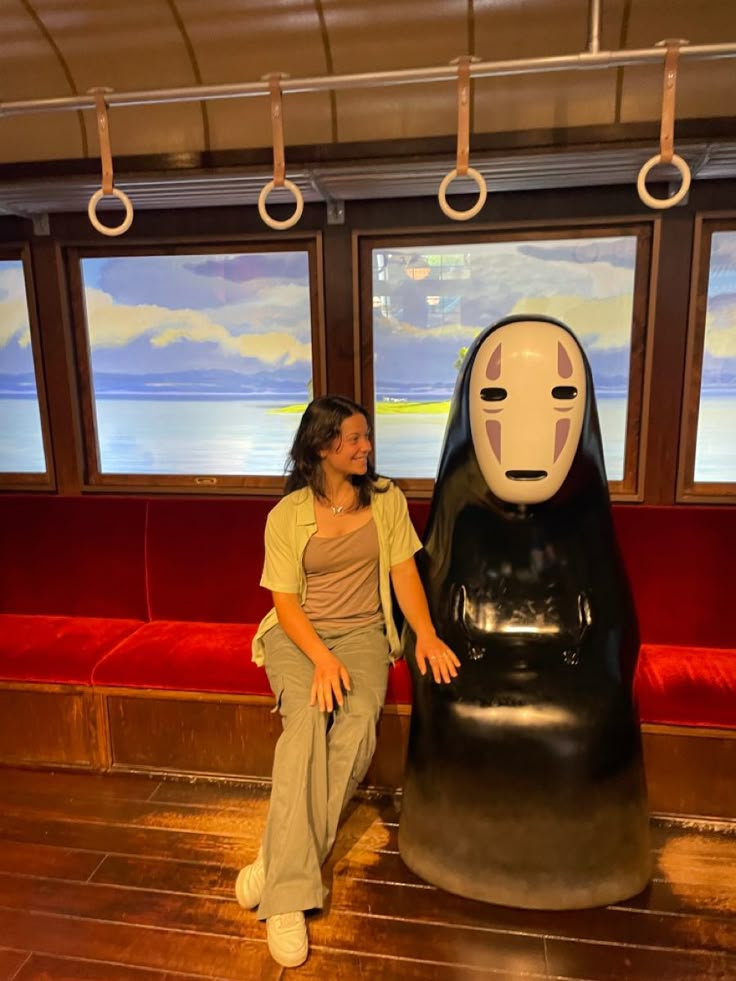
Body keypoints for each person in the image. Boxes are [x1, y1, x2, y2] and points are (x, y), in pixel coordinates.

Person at [235, 395, 460, 968]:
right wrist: (320, 659)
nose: (366, 447)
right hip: (299, 636)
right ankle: (287, 902)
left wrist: (426, 635)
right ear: (321, 447)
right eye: (354, 439)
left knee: (357, 725)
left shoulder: (386, 500)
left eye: (366, 437)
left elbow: (403, 570)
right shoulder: (286, 517)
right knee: (307, 722)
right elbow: (284, 605)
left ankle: (277, 857)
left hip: (363, 634)